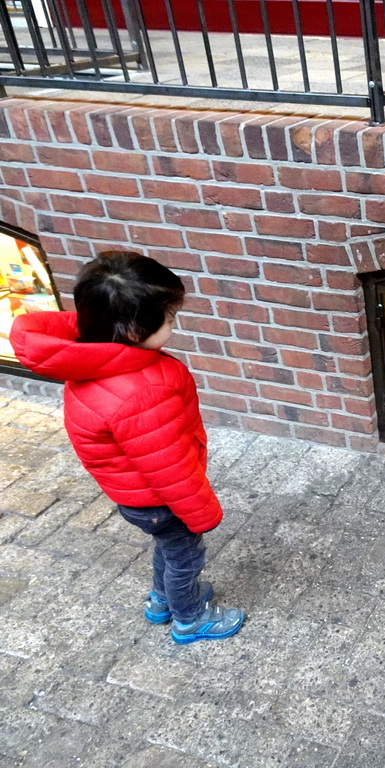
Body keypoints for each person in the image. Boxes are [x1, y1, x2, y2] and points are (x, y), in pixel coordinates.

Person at [10, 252, 244, 645]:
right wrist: (203, 512)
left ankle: (162, 600)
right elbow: (169, 467)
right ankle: (190, 618)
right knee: (187, 556)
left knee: (168, 548)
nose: (174, 325)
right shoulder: (142, 390)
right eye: (170, 319)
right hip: (160, 499)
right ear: (134, 329)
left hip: (135, 497)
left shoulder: (94, 362)